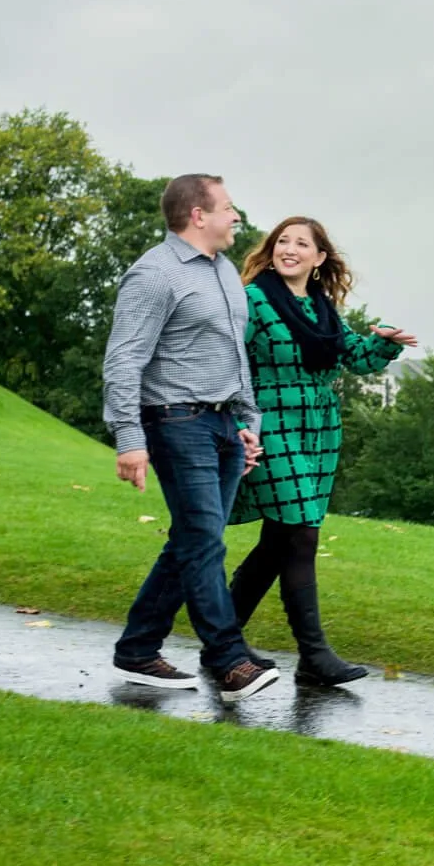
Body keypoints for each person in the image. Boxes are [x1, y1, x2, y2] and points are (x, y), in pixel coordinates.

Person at [102, 173, 283, 698]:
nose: (237, 217)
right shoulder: (154, 275)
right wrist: (129, 438)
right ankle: (229, 662)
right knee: (206, 541)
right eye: (228, 207)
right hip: (175, 422)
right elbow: (123, 360)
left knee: (190, 541)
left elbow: (235, 354)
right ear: (197, 215)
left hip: (226, 425)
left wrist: (250, 423)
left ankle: (138, 647)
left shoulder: (225, 272)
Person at [226, 216, 417, 685]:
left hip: (319, 430)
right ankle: (314, 655)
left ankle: (224, 638)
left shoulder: (322, 307)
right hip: (270, 424)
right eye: (282, 241)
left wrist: (384, 344)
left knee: (279, 539)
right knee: (300, 535)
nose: (289, 249)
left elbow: (355, 356)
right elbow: (228, 363)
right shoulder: (251, 300)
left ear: (319, 258)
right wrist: (234, 425)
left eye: (301, 243)